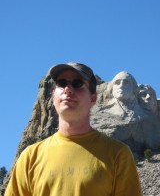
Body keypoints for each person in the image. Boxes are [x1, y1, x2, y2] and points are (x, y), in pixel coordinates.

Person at [5, 62, 143, 196]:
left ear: (93, 99)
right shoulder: (30, 157)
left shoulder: (118, 155)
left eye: (77, 84)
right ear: (53, 97)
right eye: (62, 83)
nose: (68, 89)